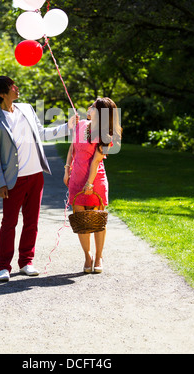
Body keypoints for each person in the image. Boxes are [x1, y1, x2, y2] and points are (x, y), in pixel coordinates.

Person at [0, 76, 77, 282]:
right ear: (2, 93)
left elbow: (42, 133)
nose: (17, 88)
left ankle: (26, 261)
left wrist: (66, 127)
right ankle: (3, 267)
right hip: (12, 180)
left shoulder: (26, 108)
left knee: (32, 222)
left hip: (36, 175)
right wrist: (0, 183)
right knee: (9, 223)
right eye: (12, 86)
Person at [64, 97, 121, 274]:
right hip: (76, 178)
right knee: (80, 220)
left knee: (97, 220)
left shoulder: (106, 134)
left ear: (100, 112)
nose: (89, 107)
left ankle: (99, 256)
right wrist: (67, 169)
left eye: (93, 106)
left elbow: (96, 160)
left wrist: (89, 183)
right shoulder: (81, 125)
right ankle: (87, 257)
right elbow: (72, 149)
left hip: (95, 179)